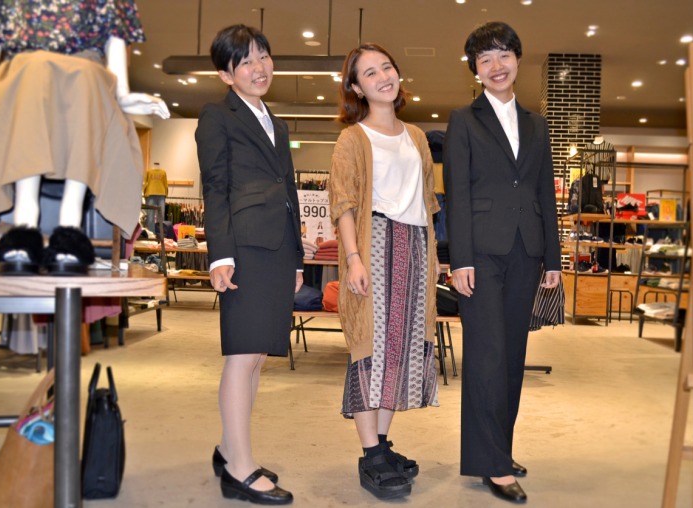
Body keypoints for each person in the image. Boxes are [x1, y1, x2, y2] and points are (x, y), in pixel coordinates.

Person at [443, 21, 561, 504]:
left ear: (517, 59)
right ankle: (492, 464)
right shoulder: (463, 120)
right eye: (485, 58)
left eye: (503, 55)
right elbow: (457, 194)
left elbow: (544, 193)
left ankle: (498, 452)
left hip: (526, 251)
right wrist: (460, 259)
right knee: (487, 357)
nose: (496, 65)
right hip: (481, 255)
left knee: (512, 357)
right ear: (475, 68)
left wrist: (553, 258)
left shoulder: (537, 124)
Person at [195, 24, 304, 505]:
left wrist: (296, 257)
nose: (259, 68)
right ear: (226, 75)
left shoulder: (276, 123)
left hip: (276, 249)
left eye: (263, 56)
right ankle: (240, 469)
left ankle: (229, 450)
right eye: (245, 62)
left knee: (258, 355)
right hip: (243, 248)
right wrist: (220, 254)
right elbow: (214, 186)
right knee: (242, 355)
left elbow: (289, 192)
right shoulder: (217, 116)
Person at [328, 43, 440, 500]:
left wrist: (433, 257)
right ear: (356, 88)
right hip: (373, 243)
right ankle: (371, 453)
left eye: (387, 67)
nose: (382, 77)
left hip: (415, 245)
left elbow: (428, 201)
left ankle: (382, 443)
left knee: (403, 347)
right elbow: (343, 203)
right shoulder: (353, 138)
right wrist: (353, 257)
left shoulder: (416, 136)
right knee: (370, 348)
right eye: (370, 73)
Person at [0, 0, 169, 275]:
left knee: (85, 82)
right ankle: (24, 225)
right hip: (23, 75)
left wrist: (124, 96)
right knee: (32, 76)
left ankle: (70, 226)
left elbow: (115, 54)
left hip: (86, 75)